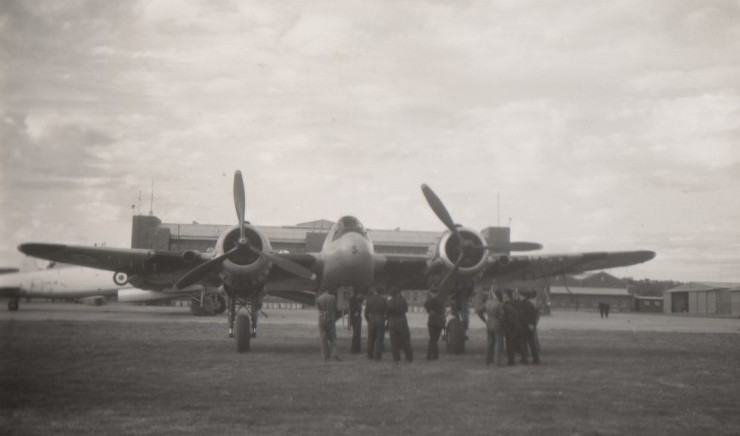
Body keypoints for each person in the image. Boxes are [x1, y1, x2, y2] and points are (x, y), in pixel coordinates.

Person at [386, 286, 413, 365]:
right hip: (402, 320)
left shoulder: (388, 302)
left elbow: (387, 312)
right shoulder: (403, 301)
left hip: (392, 321)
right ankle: (409, 357)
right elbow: (406, 310)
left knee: (394, 341)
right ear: (398, 293)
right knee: (406, 340)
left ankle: (396, 358)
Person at [477, 288, 504, 366]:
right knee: (499, 343)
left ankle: (488, 360)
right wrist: (502, 324)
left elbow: (479, 311)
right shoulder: (500, 304)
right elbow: (502, 317)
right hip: (497, 325)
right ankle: (498, 362)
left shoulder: (487, 303)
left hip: (489, 324)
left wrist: (484, 320)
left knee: (489, 343)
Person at [516, 289, 540, 365]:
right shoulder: (528, 303)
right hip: (529, 325)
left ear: (521, 295)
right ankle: (536, 359)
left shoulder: (523, 304)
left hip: (524, 326)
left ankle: (524, 359)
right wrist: (532, 324)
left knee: (522, 343)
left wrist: (529, 324)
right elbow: (533, 314)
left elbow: (527, 315)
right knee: (531, 342)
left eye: (519, 295)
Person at [316, 289, 341, 362]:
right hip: (331, 316)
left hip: (322, 317)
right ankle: (335, 354)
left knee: (323, 338)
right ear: (328, 290)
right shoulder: (333, 297)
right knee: (333, 337)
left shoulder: (319, 298)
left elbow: (318, 308)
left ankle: (325, 356)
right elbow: (335, 307)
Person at [364, 286, 387, 361]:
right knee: (379, 338)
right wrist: (384, 319)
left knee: (370, 338)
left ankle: (369, 355)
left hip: (372, 319)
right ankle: (377, 356)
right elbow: (386, 313)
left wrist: (369, 320)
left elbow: (366, 313)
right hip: (380, 319)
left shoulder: (369, 300)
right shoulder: (384, 300)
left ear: (375, 291)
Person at [500, 289, 521, 366]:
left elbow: (509, 318)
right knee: (511, 344)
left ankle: (511, 361)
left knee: (510, 345)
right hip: (516, 326)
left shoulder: (506, 306)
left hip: (511, 328)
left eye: (505, 296)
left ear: (508, 297)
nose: (503, 298)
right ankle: (511, 360)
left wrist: (507, 328)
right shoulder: (513, 303)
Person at [423, 291, 445, 361]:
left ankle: (429, 355)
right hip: (440, 321)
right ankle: (435, 355)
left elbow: (426, 303)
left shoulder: (432, 299)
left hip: (432, 321)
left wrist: (429, 311)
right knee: (435, 339)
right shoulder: (442, 300)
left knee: (432, 339)